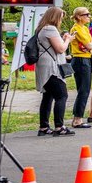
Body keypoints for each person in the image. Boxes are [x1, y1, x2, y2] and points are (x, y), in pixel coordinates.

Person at [34, 7, 75, 137]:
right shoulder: (50, 29)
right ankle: (59, 126)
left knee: (48, 96)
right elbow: (60, 48)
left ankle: (44, 126)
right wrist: (68, 39)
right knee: (62, 95)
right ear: (55, 17)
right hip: (51, 68)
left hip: (43, 66)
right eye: (61, 18)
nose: (61, 21)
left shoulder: (41, 29)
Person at [68, 6, 92, 128]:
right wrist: (90, 46)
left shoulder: (85, 28)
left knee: (85, 89)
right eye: (86, 14)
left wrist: (91, 46)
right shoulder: (76, 29)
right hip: (80, 59)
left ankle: (78, 117)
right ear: (78, 16)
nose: (89, 16)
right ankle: (77, 119)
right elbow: (89, 44)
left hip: (87, 58)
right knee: (83, 90)